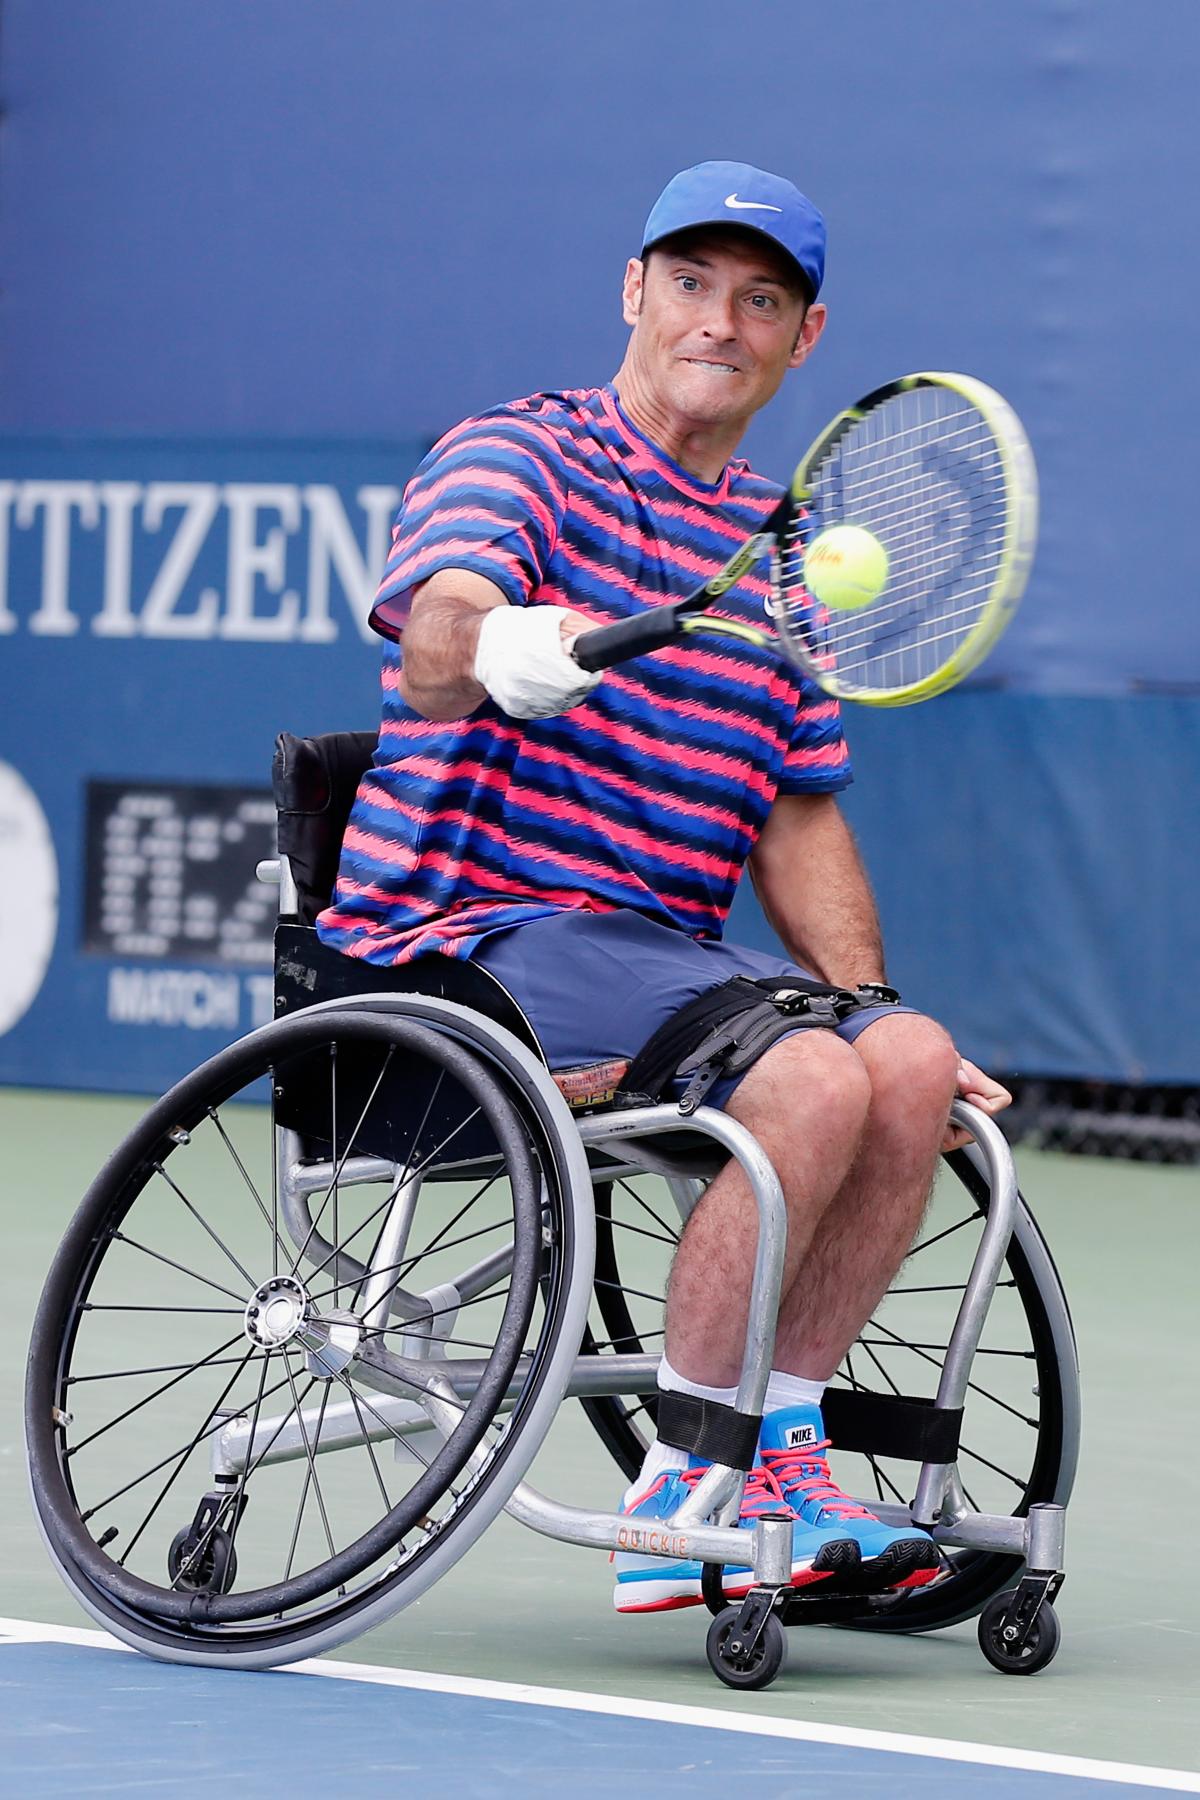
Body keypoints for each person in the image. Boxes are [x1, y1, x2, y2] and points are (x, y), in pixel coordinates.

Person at [317, 160, 1012, 1613]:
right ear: (633, 293)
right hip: (469, 940)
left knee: (907, 1063)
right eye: (691, 283)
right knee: (812, 1083)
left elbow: (798, 819)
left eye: (759, 299)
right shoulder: (522, 452)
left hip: (658, 963)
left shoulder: (783, 566)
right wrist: (494, 640)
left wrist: (876, 1006)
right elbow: (442, 623)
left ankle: (784, 1446)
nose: (719, 321)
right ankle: (685, 1472)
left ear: (802, 339)